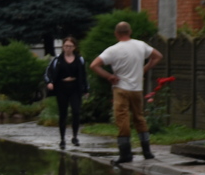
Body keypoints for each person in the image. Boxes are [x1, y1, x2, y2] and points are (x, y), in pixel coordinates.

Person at [89, 22, 163, 165]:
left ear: (116, 34)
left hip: (121, 88)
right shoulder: (141, 45)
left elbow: (94, 65)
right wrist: (144, 69)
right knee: (139, 118)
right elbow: (158, 56)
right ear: (130, 32)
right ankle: (147, 152)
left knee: (122, 119)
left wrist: (109, 76)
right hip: (137, 89)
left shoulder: (113, 50)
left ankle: (125, 153)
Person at [45, 36, 89, 149]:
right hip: (62, 87)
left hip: (75, 87)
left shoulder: (80, 59)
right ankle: (62, 139)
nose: (68, 48)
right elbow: (48, 72)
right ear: (63, 47)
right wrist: (49, 82)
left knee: (76, 111)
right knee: (63, 113)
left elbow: (84, 75)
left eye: (70, 46)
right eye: (66, 46)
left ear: (74, 47)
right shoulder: (57, 60)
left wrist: (86, 89)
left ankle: (75, 136)